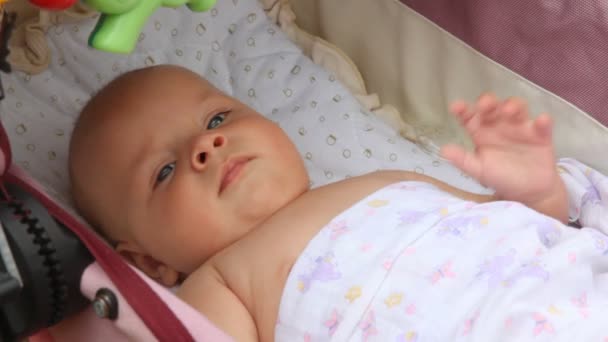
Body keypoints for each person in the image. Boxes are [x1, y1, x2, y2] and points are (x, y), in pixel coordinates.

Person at [69, 65, 608, 341]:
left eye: (217, 120)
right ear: (148, 262)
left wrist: (534, 191)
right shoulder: (221, 281)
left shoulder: (388, 179)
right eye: (165, 171)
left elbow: (519, 231)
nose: (206, 146)